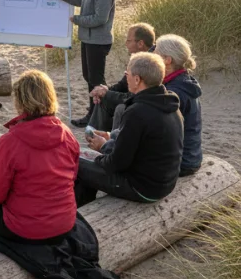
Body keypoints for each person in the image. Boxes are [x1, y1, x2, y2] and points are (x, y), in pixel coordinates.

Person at [0, 70, 79, 255]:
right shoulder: (67, 134)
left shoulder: (11, 141)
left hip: (23, 230)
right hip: (63, 225)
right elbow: (73, 176)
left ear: (20, 101)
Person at [76, 52, 183, 207]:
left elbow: (116, 163)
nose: (126, 77)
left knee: (76, 163)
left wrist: (102, 148)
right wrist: (110, 137)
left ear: (137, 79)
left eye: (128, 74)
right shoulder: (170, 102)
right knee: (90, 163)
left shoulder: (137, 112)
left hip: (143, 188)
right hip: (165, 183)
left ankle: (83, 215)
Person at [49, 0, 117, 127]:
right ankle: (96, 111)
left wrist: (77, 20)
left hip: (98, 41)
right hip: (88, 39)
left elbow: (100, 18)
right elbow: (82, 1)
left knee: (96, 79)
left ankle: (98, 115)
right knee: (90, 77)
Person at [88, 22, 156, 132]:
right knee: (103, 98)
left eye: (129, 41)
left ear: (140, 43)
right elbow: (123, 84)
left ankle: (107, 139)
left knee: (118, 106)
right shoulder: (140, 57)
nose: (126, 44)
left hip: (144, 104)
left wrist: (107, 93)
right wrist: (105, 90)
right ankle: (94, 134)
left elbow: (133, 97)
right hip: (135, 100)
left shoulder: (150, 63)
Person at [155, 34, 202, 177]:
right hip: (190, 157)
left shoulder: (175, 92)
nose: (151, 57)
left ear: (167, 60)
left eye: (156, 54)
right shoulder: (183, 82)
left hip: (182, 163)